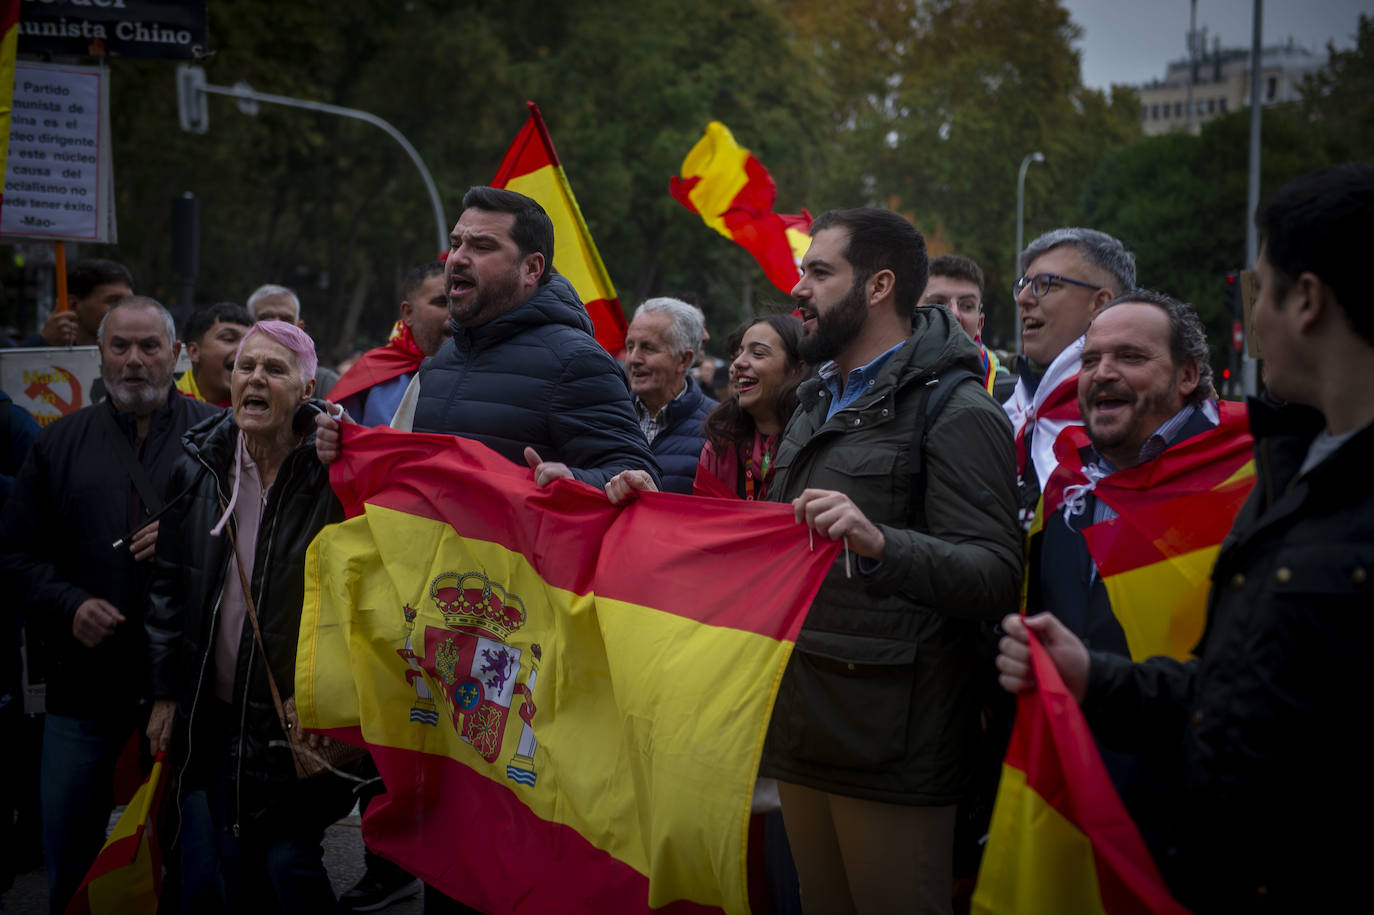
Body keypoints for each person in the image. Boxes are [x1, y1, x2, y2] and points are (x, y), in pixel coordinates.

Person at [996, 163, 1374, 912]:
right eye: (1094, 359)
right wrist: (1092, 675)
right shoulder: (1291, 470)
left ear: (1307, 302)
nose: (1253, 315)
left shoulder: (1253, 476)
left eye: (1259, 288)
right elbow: (1232, 689)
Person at [316, 186, 657, 913]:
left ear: (532, 268)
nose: (456, 259)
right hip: (445, 657)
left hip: (530, 672)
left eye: (481, 246)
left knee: (518, 866)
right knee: (453, 862)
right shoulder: (441, 363)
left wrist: (580, 483)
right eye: (456, 243)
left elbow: (638, 478)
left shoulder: (576, 361)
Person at [762, 208, 1020, 914]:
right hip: (801, 723)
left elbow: (996, 573)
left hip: (895, 751)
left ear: (878, 286)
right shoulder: (814, 400)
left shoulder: (958, 408)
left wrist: (883, 544)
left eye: (818, 272)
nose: (798, 287)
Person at [0, 297, 217, 913]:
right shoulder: (58, 443)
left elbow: (253, 548)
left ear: (176, 356)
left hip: (191, 683)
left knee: (197, 860)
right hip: (83, 682)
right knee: (68, 847)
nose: (134, 361)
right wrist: (68, 605)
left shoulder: (217, 440)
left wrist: (191, 539)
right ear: (100, 356)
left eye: (150, 347)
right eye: (120, 347)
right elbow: (13, 557)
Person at [146, 320, 354, 912]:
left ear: (307, 389)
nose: (255, 378)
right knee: (234, 860)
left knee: (290, 860)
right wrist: (164, 695)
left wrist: (333, 697)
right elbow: (167, 590)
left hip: (296, 713)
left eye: (274, 369)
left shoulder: (331, 470)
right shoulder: (200, 464)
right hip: (213, 713)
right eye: (245, 367)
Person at [1003, 228, 1135, 526]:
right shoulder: (1011, 404)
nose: (1023, 298)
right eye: (1024, 285)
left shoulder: (1141, 418)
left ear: (1099, 303)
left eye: (1044, 285)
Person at [332, 261, 450, 427]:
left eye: (460, 301)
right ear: (408, 313)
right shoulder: (371, 372)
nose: (455, 312)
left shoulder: (486, 369)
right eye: (442, 303)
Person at [624, 297, 715, 493]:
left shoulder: (719, 426)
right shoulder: (608, 416)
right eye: (630, 347)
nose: (633, 359)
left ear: (684, 359)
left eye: (648, 348)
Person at [920, 254, 1012, 399]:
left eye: (967, 306)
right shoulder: (888, 382)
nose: (954, 313)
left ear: (980, 325)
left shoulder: (1009, 396)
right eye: (938, 302)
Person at [246, 284, 341, 398]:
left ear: (299, 328)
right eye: (267, 318)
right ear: (249, 326)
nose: (278, 325)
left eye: (286, 319)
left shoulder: (324, 383)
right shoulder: (234, 378)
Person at [16, 259, 134, 348]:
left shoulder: (141, 356)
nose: (126, 310)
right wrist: (43, 342)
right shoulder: (42, 358)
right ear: (73, 305)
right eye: (114, 301)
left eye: (129, 301)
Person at [175, 302, 254, 407]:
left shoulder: (260, 410)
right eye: (229, 339)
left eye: (249, 342)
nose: (243, 349)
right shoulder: (166, 405)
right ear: (194, 352)